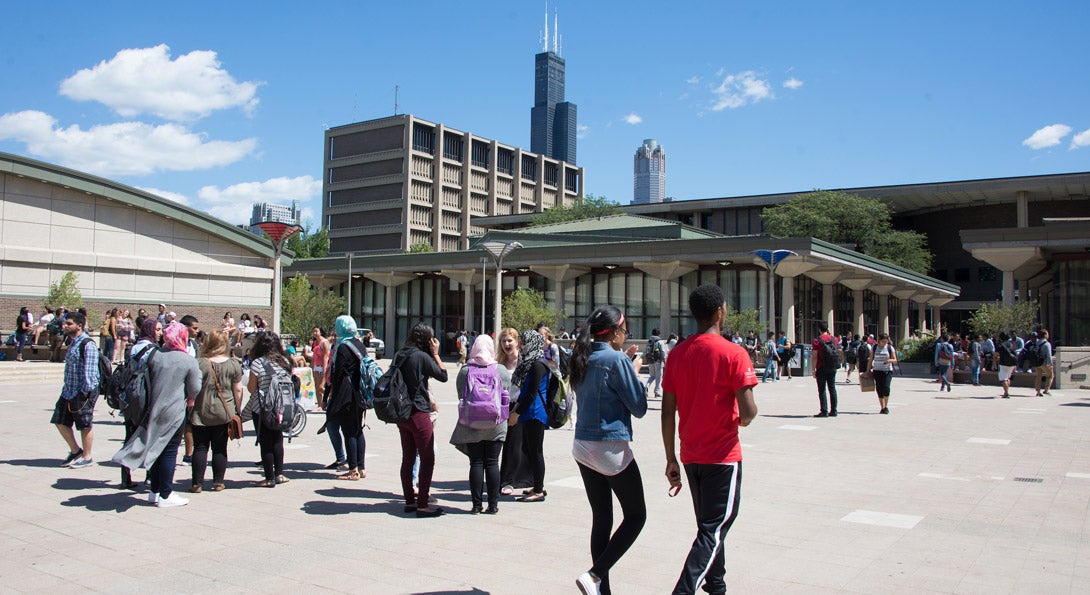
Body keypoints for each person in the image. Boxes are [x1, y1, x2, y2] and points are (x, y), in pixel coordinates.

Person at [661, 284, 758, 595]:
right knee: (714, 529)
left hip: (691, 455)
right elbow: (748, 412)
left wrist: (670, 458)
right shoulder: (734, 353)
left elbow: (667, 413)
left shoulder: (677, 353)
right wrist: (744, 414)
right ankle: (684, 590)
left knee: (708, 527)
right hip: (723, 455)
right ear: (720, 312)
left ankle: (716, 586)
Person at [569, 306, 648, 595]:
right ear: (615, 331)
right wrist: (633, 370)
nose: (626, 336)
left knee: (602, 518)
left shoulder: (583, 356)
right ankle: (595, 574)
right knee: (637, 515)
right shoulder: (617, 360)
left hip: (582, 446)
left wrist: (624, 365)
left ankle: (600, 588)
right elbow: (639, 407)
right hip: (609, 447)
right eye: (624, 330)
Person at [112, 321, 202, 507]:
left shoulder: (156, 355)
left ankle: (154, 490)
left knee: (155, 448)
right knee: (169, 452)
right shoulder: (187, 360)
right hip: (174, 410)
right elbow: (195, 388)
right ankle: (166, 494)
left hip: (152, 408)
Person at [392, 322, 448, 517]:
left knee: (408, 457)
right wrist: (435, 353)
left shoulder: (401, 354)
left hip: (402, 412)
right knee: (427, 458)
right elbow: (443, 375)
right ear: (428, 340)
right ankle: (423, 504)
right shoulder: (422, 356)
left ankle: (409, 500)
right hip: (419, 411)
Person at [450, 335, 509, 514]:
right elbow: (506, 393)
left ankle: (476, 505)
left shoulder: (465, 371)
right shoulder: (501, 370)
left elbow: (461, 394)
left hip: (471, 422)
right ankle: (493, 505)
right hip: (496, 423)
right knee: (492, 463)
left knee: (476, 462)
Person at [189, 330, 242, 493]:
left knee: (200, 447)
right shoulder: (233, 364)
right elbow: (238, 390)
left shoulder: (199, 363)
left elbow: (192, 387)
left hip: (201, 410)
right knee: (220, 448)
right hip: (224, 410)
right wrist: (237, 410)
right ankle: (218, 481)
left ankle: (197, 483)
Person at [50, 311, 101, 469]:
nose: (65, 326)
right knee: (59, 420)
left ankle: (87, 456)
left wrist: (85, 394)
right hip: (68, 391)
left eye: (69, 323)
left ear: (79, 325)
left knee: (84, 424)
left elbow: (91, 373)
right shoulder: (73, 342)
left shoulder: (88, 344)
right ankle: (75, 451)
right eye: (66, 323)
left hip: (82, 392)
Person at [509, 329, 552, 503]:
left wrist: (516, 413)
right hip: (530, 411)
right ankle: (537, 485)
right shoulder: (532, 362)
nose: (521, 346)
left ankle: (539, 490)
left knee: (535, 451)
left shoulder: (537, 364)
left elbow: (531, 394)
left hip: (535, 412)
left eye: (524, 342)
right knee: (530, 449)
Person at [326, 315, 369, 481]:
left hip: (347, 394)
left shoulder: (343, 347)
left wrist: (331, 393)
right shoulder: (360, 344)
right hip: (360, 392)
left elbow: (338, 373)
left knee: (348, 430)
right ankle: (361, 466)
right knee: (358, 430)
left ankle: (352, 469)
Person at [119, 317, 161, 489]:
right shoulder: (154, 350)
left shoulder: (132, 348)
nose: (160, 333)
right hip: (146, 397)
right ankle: (150, 475)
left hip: (129, 397)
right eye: (157, 330)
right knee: (150, 437)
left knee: (129, 436)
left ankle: (125, 476)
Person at [247, 332, 293, 487]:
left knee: (265, 442)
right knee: (278, 440)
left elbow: (252, 388)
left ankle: (268, 477)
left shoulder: (258, 363)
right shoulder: (285, 361)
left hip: (262, 408)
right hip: (281, 407)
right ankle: (279, 473)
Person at [497, 327, 532, 495]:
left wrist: (517, 410)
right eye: (503, 341)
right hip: (503, 406)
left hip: (520, 405)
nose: (506, 344)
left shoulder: (524, 362)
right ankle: (509, 478)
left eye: (510, 340)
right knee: (509, 443)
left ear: (517, 342)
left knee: (516, 443)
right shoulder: (499, 362)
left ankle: (510, 480)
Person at [812, 323, 840, 417]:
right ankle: (834, 410)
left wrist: (813, 369)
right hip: (832, 366)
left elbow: (815, 356)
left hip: (821, 367)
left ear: (819, 329)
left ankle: (824, 411)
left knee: (822, 389)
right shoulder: (834, 339)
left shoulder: (817, 341)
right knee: (832, 388)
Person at [866, 333, 898, 414]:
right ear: (879, 340)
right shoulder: (874, 347)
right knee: (879, 389)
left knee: (886, 388)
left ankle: (886, 406)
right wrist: (867, 371)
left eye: (886, 341)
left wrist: (889, 360)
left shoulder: (890, 348)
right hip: (877, 370)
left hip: (887, 371)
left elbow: (895, 359)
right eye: (883, 341)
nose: (884, 343)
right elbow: (870, 360)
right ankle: (882, 407)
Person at [996, 332, 1018, 398]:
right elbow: (1015, 353)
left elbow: (995, 355)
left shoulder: (1000, 345)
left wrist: (994, 363)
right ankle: (1007, 391)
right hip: (1012, 363)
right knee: (1008, 378)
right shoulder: (1011, 344)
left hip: (1003, 363)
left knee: (1004, 379)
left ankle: (1006, 393)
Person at [1034, 329, 1054, 397]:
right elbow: (1049, 355)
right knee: (1050, 375)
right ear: (1045, 335)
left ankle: (1038, 391)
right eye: (1047, 334)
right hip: (1044, 363)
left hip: (1037, 362)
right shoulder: (1047, 344)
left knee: (1038, 377)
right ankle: (1046, 390)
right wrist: (1050, 364)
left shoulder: (1036, 343)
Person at [646, 328, 666, 397]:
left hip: (650, 360)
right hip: (658, 361)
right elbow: (663, 352)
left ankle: (647, 386)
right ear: (659, 334)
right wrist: (665, 361)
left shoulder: (649, 341)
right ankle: (657, 392)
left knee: (652, 376)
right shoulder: (660, 341)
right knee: (658, 377)